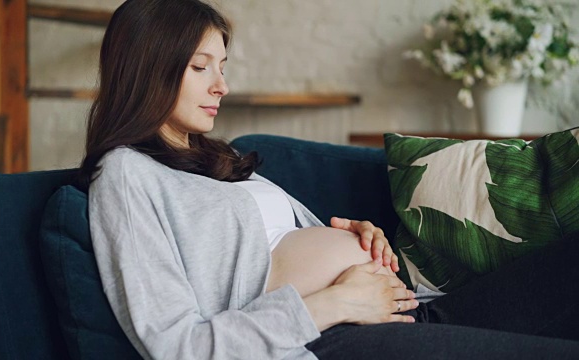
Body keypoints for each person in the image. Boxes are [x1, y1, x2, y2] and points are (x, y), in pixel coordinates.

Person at [78, 0, 579, 359]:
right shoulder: (125, 175)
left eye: (223, 67)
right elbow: (177, 347)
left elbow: (279, 247)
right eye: (200, 66)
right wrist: (338, 299)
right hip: (329, 339)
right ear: (150, 69)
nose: (222, 86)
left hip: (405, 309)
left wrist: (354, 238)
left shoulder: (212, 156)